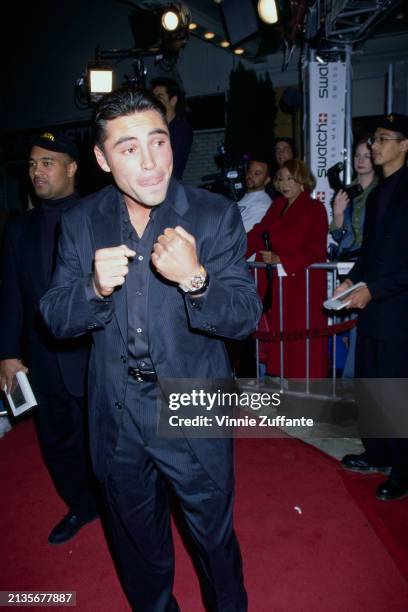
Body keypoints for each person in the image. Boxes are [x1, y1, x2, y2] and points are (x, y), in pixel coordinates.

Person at [40, 86, 261, 611]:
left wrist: (197, 280)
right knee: (138, 544)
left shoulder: (214, 214)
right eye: (128, 147)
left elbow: (246, 316)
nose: (150, 162)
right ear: (100, 158)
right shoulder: (79, 223)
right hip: (116, 410)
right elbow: (52, 315)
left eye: (158, 142)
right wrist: (92, 289)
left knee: (213, 538)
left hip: (192, 402)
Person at [0, 132, 98, 543]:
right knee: (56, 441)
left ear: (72, 167)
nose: (36, 171)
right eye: (32, 164)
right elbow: (10, 295)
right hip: (42, 356)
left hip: (96, 354)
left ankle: (123, 506)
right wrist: (6, 353)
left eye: (47, 162)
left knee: (109, 440)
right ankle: (82, 506)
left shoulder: (99, 216)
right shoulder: (18, 230)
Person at [337, 113, 408, 501]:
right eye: (373, 140)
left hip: (400, 309)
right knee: (372, 383)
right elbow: (371, 252)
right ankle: (379, 452)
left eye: (382, 139)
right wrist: (352, 279)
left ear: (404, 145)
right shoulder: (378, 193)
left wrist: (374, 289)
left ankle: (404, 468)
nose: (373, 146)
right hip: (375, 307)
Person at [247, 159, 328, 379]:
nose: (284, 184)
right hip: (278, 286)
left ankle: (307, 392)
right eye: (281, 179)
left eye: (289, 178)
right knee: (280, 341)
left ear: (302, 179)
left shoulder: (315, 208)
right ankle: (282, 388)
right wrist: (232, 252)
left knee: (302, 343)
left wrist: (281, 258)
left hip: (302, 285)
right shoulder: (276, 206)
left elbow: (317, 250)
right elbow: (257, 233)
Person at [330, 138, 378, 378]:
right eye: (357, 156)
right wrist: (338, 212)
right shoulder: (347, 191)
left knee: (362, 327)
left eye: (366, 156)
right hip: (349, 264)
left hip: (371, 264)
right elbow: (338, 234)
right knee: (346, 327)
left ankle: (352, 379)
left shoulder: (382, 190)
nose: (360, 160)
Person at [151, 76, 193, 180]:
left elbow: (173, 164)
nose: (155, 102)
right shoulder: (155, 127)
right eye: (154, 98)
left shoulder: (181, 128)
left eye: (160, 97)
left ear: (173, 100)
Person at [238, 159, 272, 233]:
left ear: (267, 180)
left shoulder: (263, 205)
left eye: (257, 173)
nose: (250, 175)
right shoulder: (245, 196)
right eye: (249, 171)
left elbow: (243, 233)